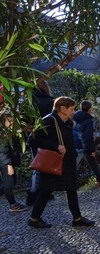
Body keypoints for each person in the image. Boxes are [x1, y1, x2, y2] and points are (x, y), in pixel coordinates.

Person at [27, 96, 95, 228]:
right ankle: (34, 219)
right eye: (71, 109)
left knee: (70, 189)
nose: (73, 112)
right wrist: (55, 146)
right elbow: (32, 140)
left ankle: (77, 218)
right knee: (45, 191)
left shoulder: (64, 121)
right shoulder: (49, 120)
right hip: (54, 163)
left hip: (66, 163)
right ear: (62, 109)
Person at [26, 78, 55, 206]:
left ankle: (34, 193)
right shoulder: (50, 101)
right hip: (49, 137)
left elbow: (25, 122)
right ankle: (45, 191)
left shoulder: (29, 103)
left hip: (34, 137)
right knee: (48, 165)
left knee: (37, 165)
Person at [73, 100, 100, 189]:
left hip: (76, 144)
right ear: (90, 108)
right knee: (93, 163)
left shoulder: (75, 117)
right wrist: (92, 150)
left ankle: (72, 185)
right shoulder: (88, 120)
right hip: (85, 145)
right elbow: (88, 136)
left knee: (75, 165)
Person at [0, 110, 29, 212]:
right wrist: (8, 165)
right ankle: (13, 205)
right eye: (10, 122)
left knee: (11, 182)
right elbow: (2, 151)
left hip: (7, 161)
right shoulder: (4, 134)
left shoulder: (9, 132)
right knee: (9, 184)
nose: (12, 124)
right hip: (5, 163)